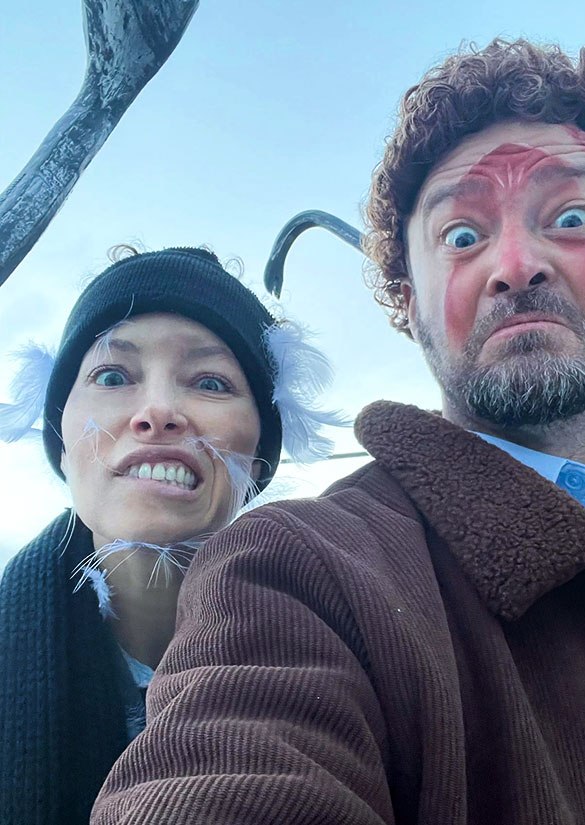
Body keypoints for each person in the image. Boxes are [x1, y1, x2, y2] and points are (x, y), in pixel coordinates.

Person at [92, 41, 585, 825]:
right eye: (461, 236)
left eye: (571, 217)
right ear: (409, 304)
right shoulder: (299, 571)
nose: (515, 264)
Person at [0, 245, 342, 825]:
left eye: (209, 382)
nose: (157, 412)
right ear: (58, 434)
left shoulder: (347, 653)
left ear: (260, 455)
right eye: (112, 376)